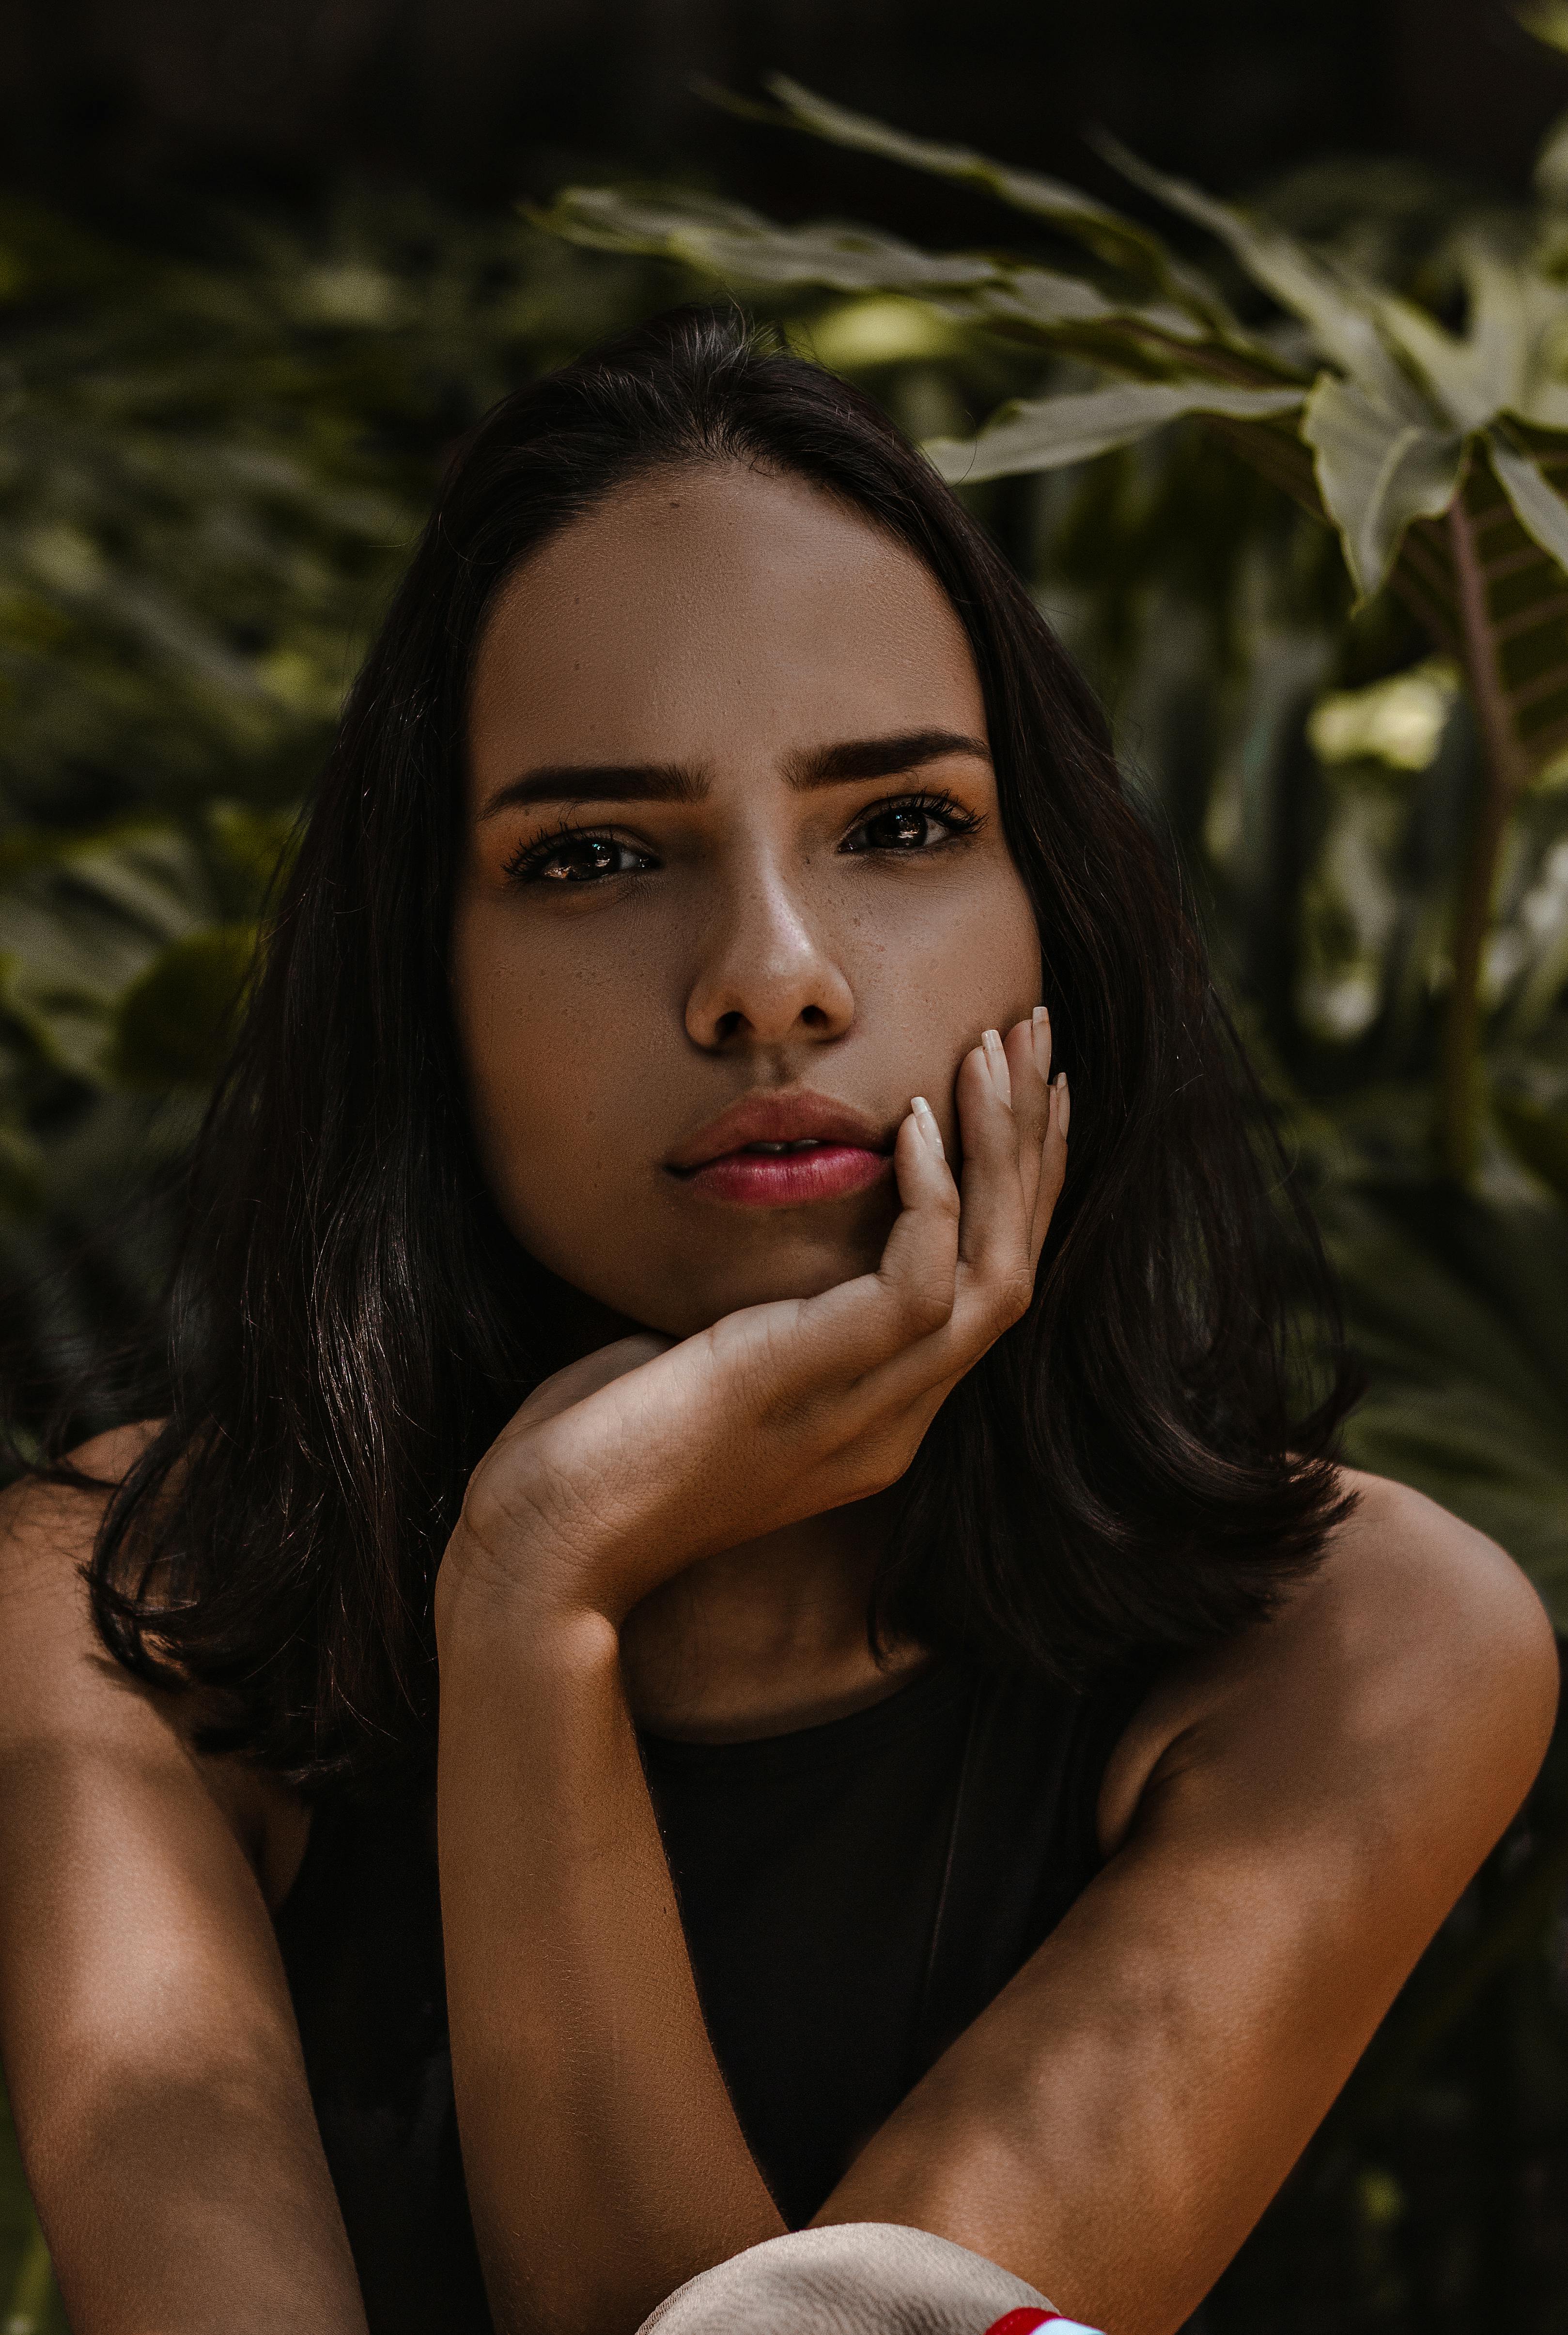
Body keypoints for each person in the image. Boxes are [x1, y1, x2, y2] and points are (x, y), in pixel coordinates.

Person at [0, 306, 1556, 2335]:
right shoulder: (118, 1612)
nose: (770, 975)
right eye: (592, 854)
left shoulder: (1366, 1645)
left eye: (901, 823)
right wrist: (526, 1600)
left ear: (1056, 922)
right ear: (426, 989)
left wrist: (538, 1599)